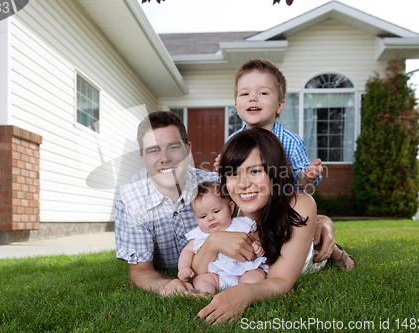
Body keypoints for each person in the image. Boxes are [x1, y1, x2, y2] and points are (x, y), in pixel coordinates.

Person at [114, 111, 336, 296]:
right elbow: (140, 269)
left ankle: (337, 253)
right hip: (207, 267)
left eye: (173, 147)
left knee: (312, 243)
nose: (164, 158)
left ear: (188, 149)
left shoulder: (216, 185)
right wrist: (168, 283)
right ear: (143, 158)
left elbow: (278, 209)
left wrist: (321, 221)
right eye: (153, 150)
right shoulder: (130, 201)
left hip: (271, 252)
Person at [195, 128, 356, 324]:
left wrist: (245, 293)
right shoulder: (227, 206)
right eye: (233, 174)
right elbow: (198, 269)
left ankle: (336, 252)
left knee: (316, 248)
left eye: (254, 171)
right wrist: (212, 243)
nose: (243, 184)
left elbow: (281, 280)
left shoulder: (300, 204)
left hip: (298, 253)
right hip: (272, 247)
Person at [215, 58, 341, 264]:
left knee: (293, 241)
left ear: (279, 105)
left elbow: (300, 189)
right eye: (245, 94)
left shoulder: (290, 142)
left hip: (281, 209)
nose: (253, 98)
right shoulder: (232, 141)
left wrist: (306, 178)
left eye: (263, 93)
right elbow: (228, 180)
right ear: (237, 105)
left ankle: (333, 252)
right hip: (250, 210)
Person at [178, 181, 267, 294]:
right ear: (196, 218)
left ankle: (243, 291)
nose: (211, 218)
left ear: (230, 208)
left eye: (216, 211)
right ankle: (206, 294)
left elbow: (255, 239)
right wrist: (184, 267)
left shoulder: (241, 224)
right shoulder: (199, 234)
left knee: (256, 274)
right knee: (200, 280)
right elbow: (187, 251)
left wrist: (258, 246)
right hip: (215, 275)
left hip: (243, 270)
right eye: (203, 216)